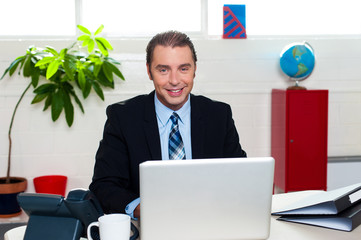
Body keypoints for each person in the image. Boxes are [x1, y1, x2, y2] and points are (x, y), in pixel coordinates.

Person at [89, 30, 247, 219]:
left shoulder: (218, 115)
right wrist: (144, 210)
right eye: (163, 70)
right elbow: (104, 185)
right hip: (150, 226)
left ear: (194, 69)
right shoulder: (123, 117)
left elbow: (240, 177)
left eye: (183, 68)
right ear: (149, 71)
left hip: (209, 220)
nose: (174, 80)